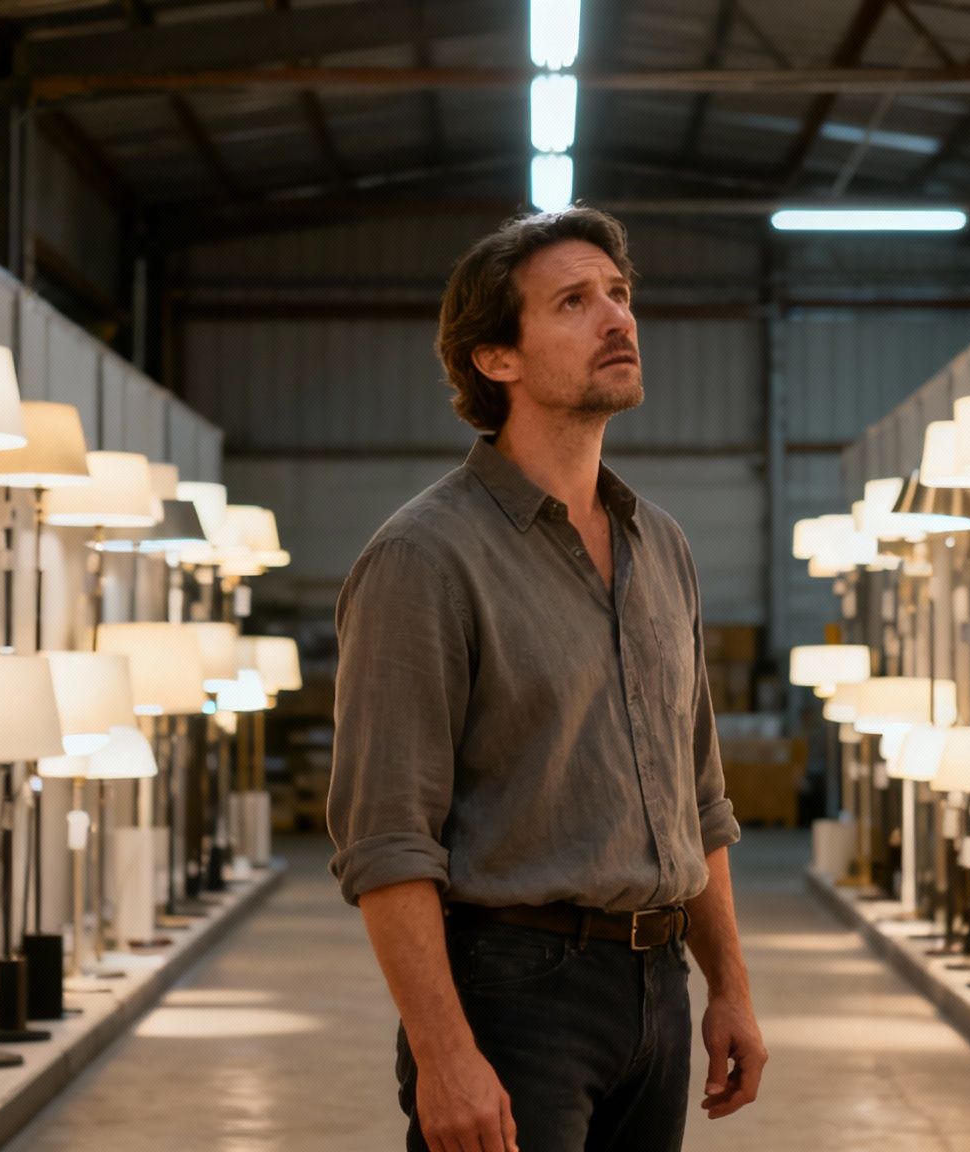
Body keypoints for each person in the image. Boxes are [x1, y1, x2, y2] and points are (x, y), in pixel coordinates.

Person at [327, 206, 765, 1152]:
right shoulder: (424, 557)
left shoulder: (663, 546)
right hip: (514, 994)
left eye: (619, 294)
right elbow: (387, 840)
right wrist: (444, 1054)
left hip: (658, 993)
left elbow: (698, 799)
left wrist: (727, 983)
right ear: (497, 359)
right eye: (574, 302)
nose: (617, 319)